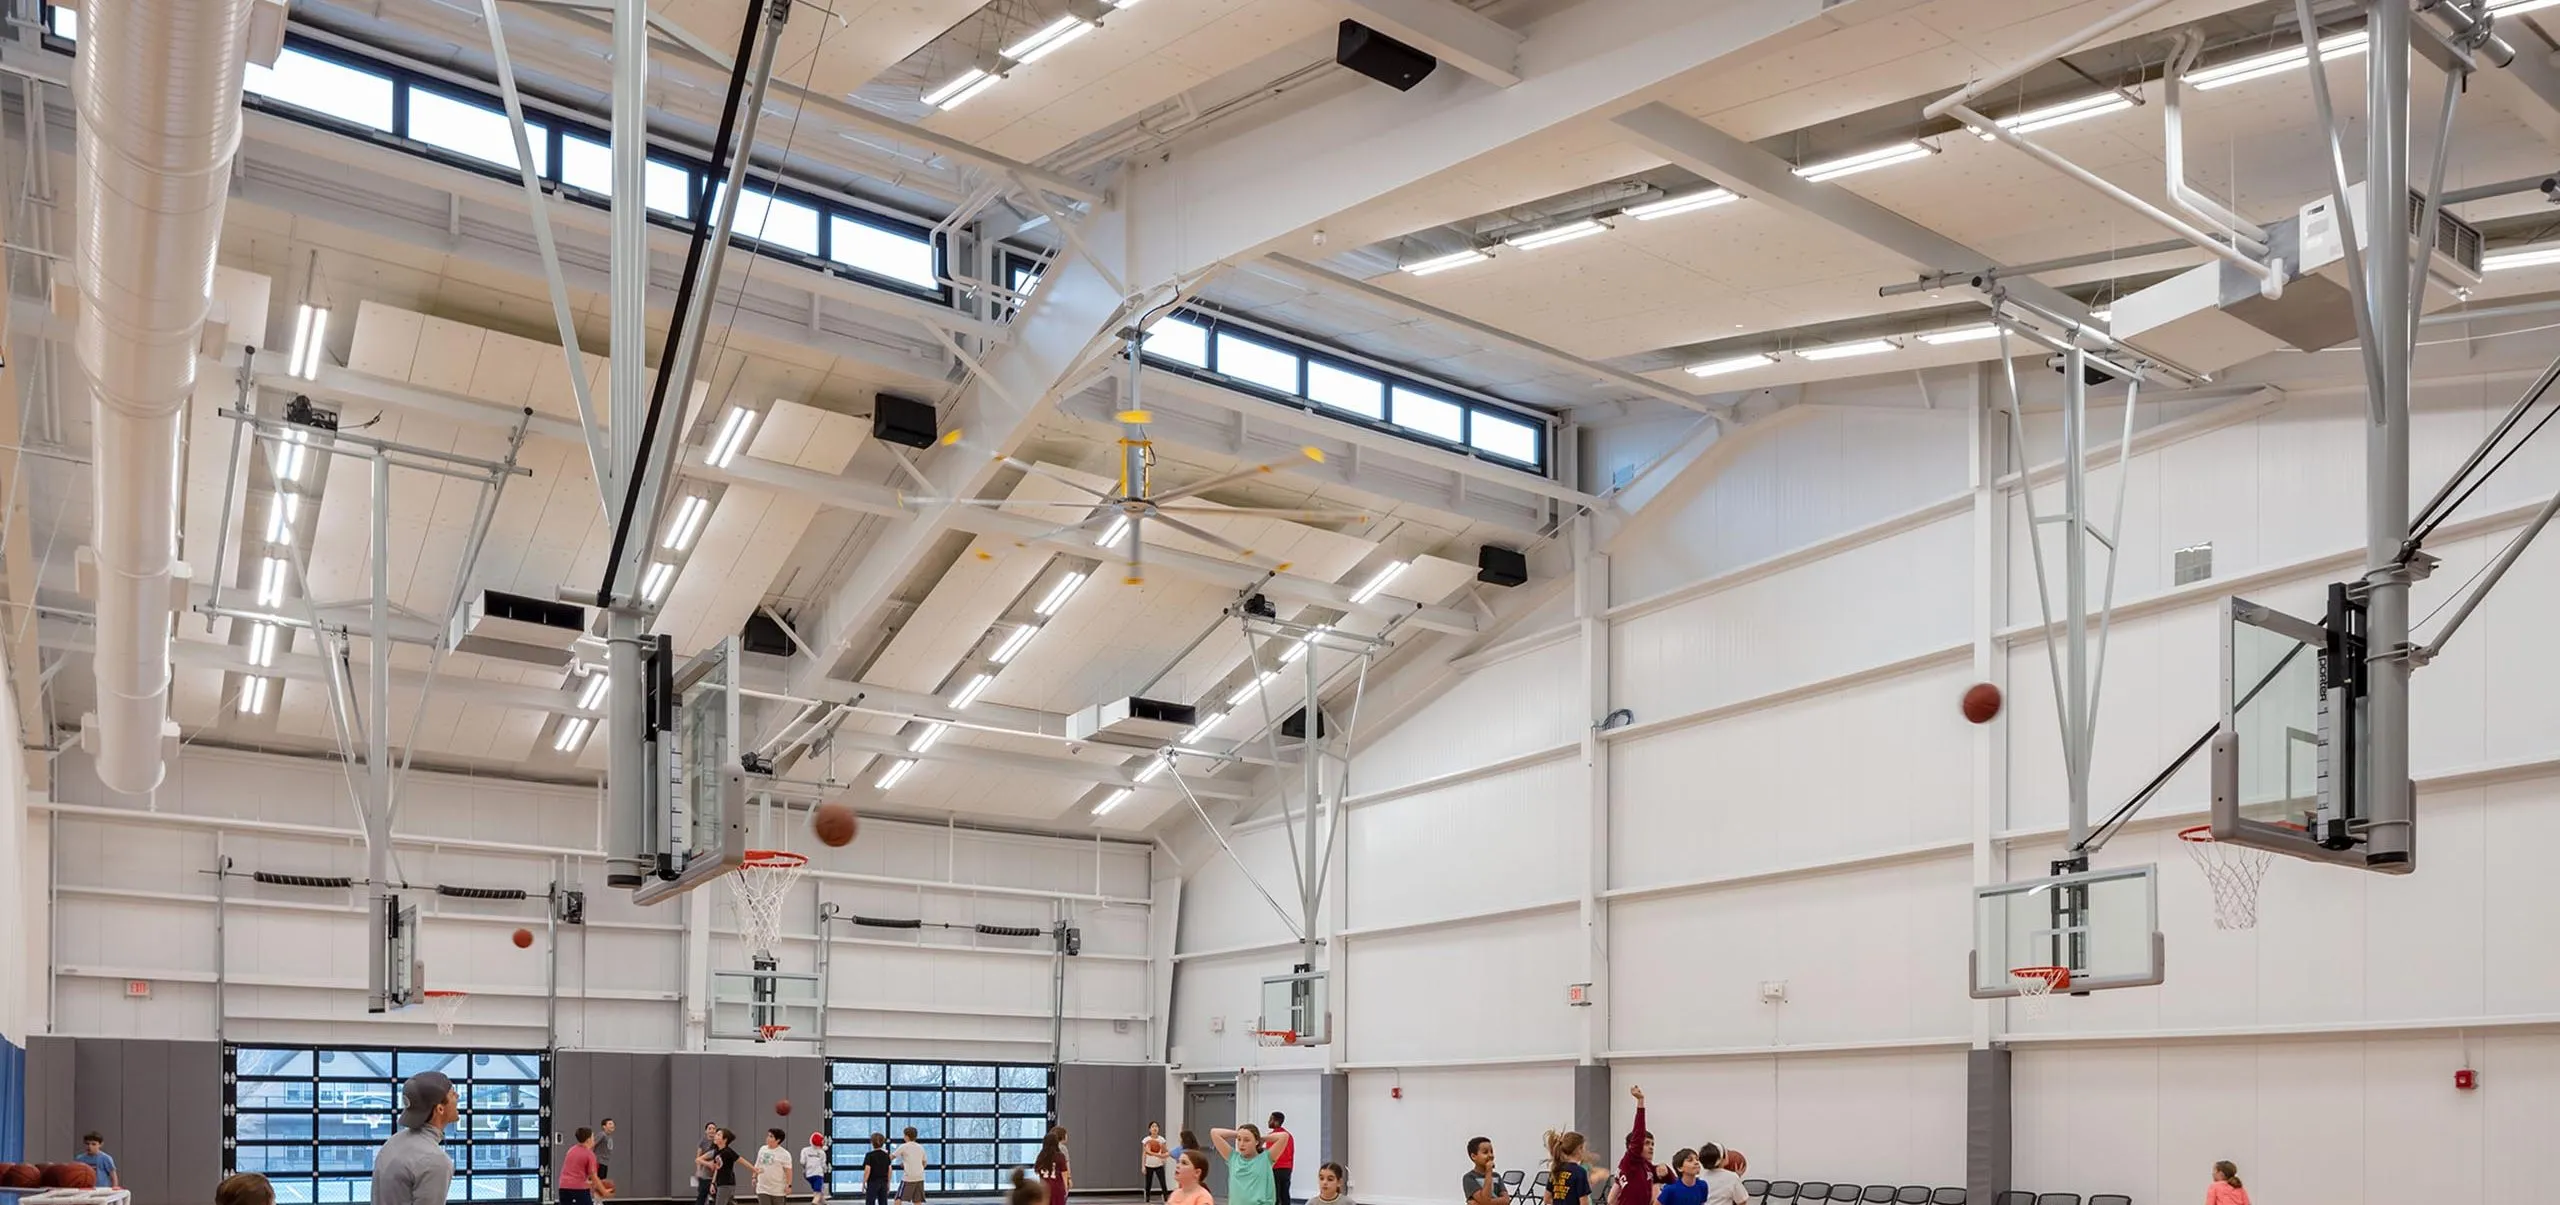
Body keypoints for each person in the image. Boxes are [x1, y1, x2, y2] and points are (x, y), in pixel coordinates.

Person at [371, 1070, 459, 1205]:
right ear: (440, 1109)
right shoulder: (435, 1160)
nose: (457, 1096)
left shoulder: (393, 1142)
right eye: (453, 1093)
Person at [1212, 1125, 1287, 1205]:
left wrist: (1262, 1139)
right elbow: (1214, 1132)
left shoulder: (1266, 1159)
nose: (1241, 1144)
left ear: (1256, 1142)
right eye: (1239, 1139)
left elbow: (1284, 1136)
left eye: (1247, 1140)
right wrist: (1239, 1133)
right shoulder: (1233, 1158)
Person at [1610, 1087, 1658, 1205]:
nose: (1651, 1147)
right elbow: (1638, 1131)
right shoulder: (1631, 1162)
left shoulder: (1648, 1168)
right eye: (1646, 1143)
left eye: (1652, 1144)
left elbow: (1611, 1200)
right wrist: (1640, 1102)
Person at [1541, 1131, 1591, 1205]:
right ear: (1579, 1149)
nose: (1584, 1151)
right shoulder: (1580, 1172)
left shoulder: (1556, 1169)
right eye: (1583, 1148)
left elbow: (1547, 1199)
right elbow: (1584, 1203)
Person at [561, 1128, 602, 1205]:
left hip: (564, 1187)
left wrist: (590, 1183)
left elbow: (572, 1173)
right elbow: (593, 1176)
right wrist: (604, 1190)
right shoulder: (589, 1154)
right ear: (588, 1140)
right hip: (579, 1188)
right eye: (593, 1136)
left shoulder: (571, 1150)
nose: (594, 1139)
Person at [755, 1129, 795, 1205]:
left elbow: (788, 1171)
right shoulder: (762, 1149)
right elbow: (757, 1164)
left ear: (778, 1140)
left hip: (778, 1189)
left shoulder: (784, 1154)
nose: (767, 1138)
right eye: (768, 1135)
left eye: (771, 1136)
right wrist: (754, 1177)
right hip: (762, 1188)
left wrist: (789, 1185)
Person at [707, 1128, 744, 1205]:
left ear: (724, 1140)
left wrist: (754, 1170)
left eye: (718, 1134)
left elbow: (742, 1161)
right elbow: (717, 1169)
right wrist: (713, 1183)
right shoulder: (717, 1152)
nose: (715, 1136)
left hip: (727, 1184)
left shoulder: (728, 1151)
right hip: (720, 1183)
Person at [1036, 1127, 1072, 1205]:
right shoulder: (1060, 1156)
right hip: (1057, 1188)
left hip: (1044, 1188)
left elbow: (1037, 1172)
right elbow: (1064, 1173)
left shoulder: (1041, 1156)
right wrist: (1066, 1187)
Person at [1463, 1137, 1503, 1205]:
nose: (1490, 1155)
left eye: (1491, 1152)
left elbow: (1506, 1200)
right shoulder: (1469, 1178)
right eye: (1485, 1152)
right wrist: (1489, 1171)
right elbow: (1485, 1200)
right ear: (1473, 1156)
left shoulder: (1497, 1176)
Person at [896, 1127, 928, 1205]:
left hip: (908, 1177)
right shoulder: (920, 1147)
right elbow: (924, 1163)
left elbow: (891, 1157)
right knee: (917, 1200)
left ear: (906, 1136)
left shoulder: (904, 1146)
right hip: (920, 1177)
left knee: (898, 1198)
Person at [695, 1123, 723, 1205]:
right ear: (706, 1131)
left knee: (717, 1197)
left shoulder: (718, 1142)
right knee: (702, 1196)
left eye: (714, 1128)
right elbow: (698, 1158)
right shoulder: (703, 1142)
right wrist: (699, 1170)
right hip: (705, 1174)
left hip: (716, 1174)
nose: (712, 1130)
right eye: (709, 1128)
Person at [1143, 1123, 1171, 1202]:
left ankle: (1166, 1197)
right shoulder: (1146, 1140)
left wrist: (1164, 1158)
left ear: (1158, 1129)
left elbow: (1165, 1151)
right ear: (1149, 1129)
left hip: (1159, 1165)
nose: (1154, 1128)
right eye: (1152, 1126)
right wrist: (1143, 1166)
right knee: (1148, 1183)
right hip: (1149, 1165)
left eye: (1156, 1126)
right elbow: (1144, 1153)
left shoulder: (1161, 1139)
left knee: (1163, 1182)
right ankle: (1147, 1197)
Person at [863, 1133, 893, 1205]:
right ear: (883, 1142)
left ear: (872, 1142)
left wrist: (864, 1182)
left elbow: (867, 1169)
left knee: (870, 1201)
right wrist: (888, 1183)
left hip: (873, 1182)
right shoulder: (886, 1155)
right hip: (883, 1182)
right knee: (883, 1202)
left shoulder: (869, 1155)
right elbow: (890, 1170)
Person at [802, 1133, 831, 1205]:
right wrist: (825, 1170)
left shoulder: (805, 1150)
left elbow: (802, 1162)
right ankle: (814, 1203)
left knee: (819, 1190)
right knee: (817, 1193)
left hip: (808, 1175)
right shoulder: (822, 1153)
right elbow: (823, 1165)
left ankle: (824, 1203)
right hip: (818, 1174)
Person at [597, 1119, 617, 1190]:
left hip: (605, 1162)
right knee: (599, 1181)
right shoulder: (602, 1135)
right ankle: (597, 1200)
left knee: (602, 1181)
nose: (612, 1125)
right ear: (604, 1126)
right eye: (610, 1124)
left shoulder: (609, 1136)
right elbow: (593, 1144)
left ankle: (598, 1200)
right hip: (599, 1161)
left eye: (613, 1124)